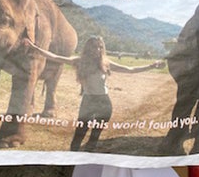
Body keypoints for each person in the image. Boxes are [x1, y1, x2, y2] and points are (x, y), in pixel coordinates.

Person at [24, 36, 165, 151]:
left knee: (94, 137)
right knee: (79, 133)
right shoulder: (79, 62)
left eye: (100, 47)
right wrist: (35, 48)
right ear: (88, 48)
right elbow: (55, 57)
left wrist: (151, 66)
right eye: (94, 46)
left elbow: (130, 69)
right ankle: (72, 160)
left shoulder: (106, 63)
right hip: (88, 102)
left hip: (104, 103)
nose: (97, 49)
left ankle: (88, 158)